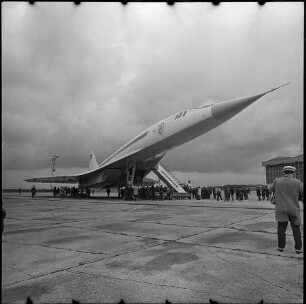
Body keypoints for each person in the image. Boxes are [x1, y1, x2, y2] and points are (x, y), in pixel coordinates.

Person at [270, 166, 303, 254]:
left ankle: (281, 247)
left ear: (284, 172)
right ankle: (298, 249)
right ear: (293, 172)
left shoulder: (277, 181)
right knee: (296, 228)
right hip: (294, 209)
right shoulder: (298, 182)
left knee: (281, 228)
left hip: (281, 208)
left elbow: (271, 189)